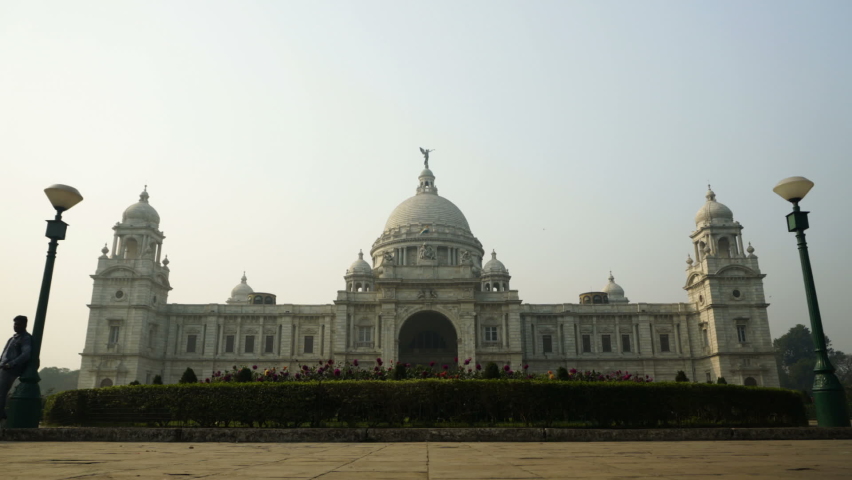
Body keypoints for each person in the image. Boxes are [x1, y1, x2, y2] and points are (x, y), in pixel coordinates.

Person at [0, 315, 32, 420]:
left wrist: (11, 364)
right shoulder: (13, 338)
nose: (16, 326)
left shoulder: (25, 338)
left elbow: (26, 354)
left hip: (10, 369)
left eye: (19, 324)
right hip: (3, 367)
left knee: (2, 390)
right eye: (15, 324)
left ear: (25, 325)